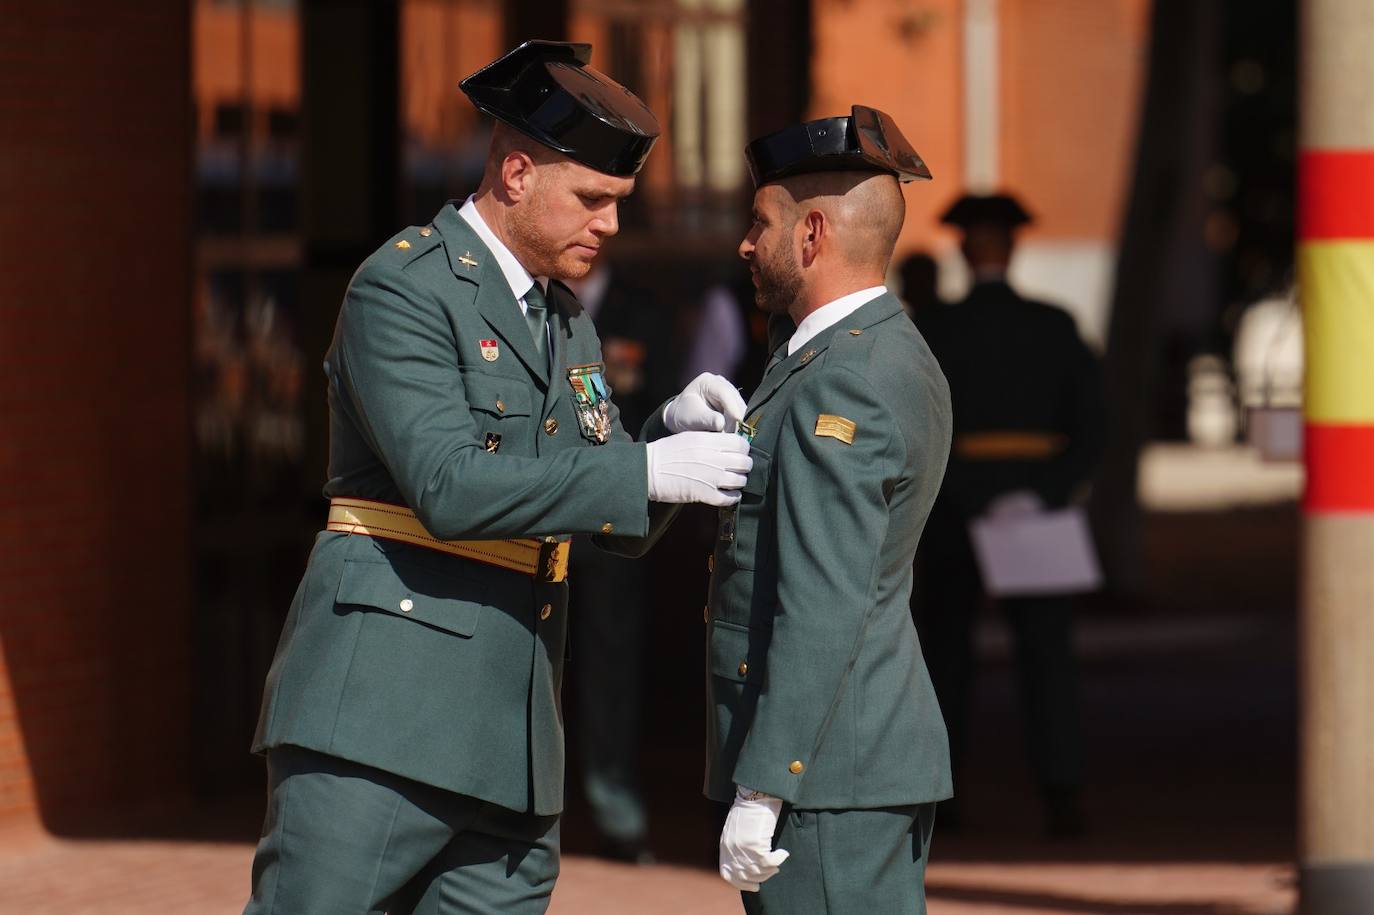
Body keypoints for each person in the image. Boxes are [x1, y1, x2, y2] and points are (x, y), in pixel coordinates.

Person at [244, 40, 753, 915]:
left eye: (619, 203)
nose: (611, 225)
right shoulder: (403, 288)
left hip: (512, 736)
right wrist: (642, 468)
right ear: (516, 174)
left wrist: (660, 437)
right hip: (381, 717)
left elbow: (610, 521)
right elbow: (447, 486)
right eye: (592, 199)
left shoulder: (564, 317)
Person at [704, 106, 953, 913]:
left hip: (828, 773)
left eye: (760, 223)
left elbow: (823, 599)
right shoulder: (846, 352)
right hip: (842, 761)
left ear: (811, 234)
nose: (746, 244)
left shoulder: (844, 377)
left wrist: (766, 785)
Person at [912, 192, 1105, 836]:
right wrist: (1042, 492)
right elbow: (1093, 429)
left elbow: (919, 430)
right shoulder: (1055, 324)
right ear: (1014, 247)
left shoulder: (935, 327)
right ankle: (1064, 792)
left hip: (954, 509)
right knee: (1047, 655)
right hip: (1037, 507)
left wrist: (969, 494)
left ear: (965, 250)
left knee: (945, 655)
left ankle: (944, 794)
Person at [562, 258, 674, 863]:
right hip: (531, 515)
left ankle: (616, 811)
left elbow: (660, 409)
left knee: (610, 667)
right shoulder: (521, 299)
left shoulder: (642, 310)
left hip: (609, 520)